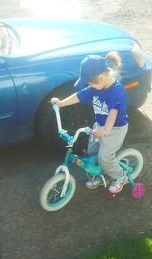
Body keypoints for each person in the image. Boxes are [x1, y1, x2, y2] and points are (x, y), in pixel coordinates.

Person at [51, 51, 129, 194]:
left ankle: (120, 177)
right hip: (99, 126)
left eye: (90, 83)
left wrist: (106, 130)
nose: (90, 86)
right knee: (92, 153)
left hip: (115, 128)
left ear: (101, 77)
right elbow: (79, 96)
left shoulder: (116, 90)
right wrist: (61, 103)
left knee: (104, 157)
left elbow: (113, 111)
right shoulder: (96, 87)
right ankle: (99, 175)